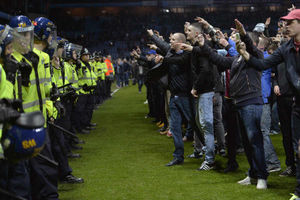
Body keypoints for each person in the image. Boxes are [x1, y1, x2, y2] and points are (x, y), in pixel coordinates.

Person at [237, 9, 300, 198]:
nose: (285, 26)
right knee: (299, 150)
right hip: (298, 106)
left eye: (290, 23)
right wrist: (247, 56)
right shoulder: (286, 48)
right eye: (284, 23)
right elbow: (264, 64)